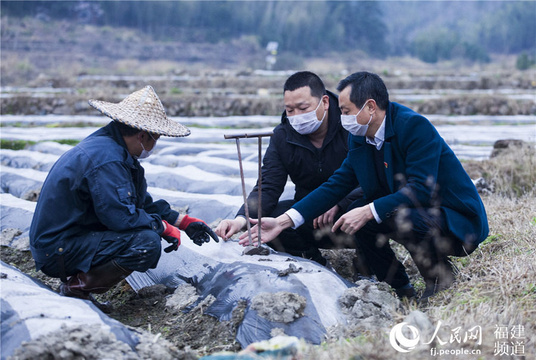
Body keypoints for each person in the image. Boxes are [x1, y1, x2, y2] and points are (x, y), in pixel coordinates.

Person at [239, 71, 489, 302]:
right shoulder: (360, 136)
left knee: (382, 214)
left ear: (370, 106)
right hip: (415, 210)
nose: (343, 118)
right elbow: (338, 183)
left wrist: (369, 210)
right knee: (362, 215)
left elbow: (421, 189)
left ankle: (440, 277)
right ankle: (401, 289)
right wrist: (282, 221)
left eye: (346, 111)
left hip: (455, 220)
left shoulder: (413, 126)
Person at [29, 86, 218, 311]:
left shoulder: (114, 150)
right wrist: (163, 228)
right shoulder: (107, 159)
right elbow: (120, 217)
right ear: (142, 135)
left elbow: (140, 203)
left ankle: (80, 286)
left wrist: (184, 222)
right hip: (57, 249)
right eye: (155, 138)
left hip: (69, 239)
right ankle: (77, 289)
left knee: (146, 232)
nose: (154, 145)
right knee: (145, 243)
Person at [216, 71, 362, 267]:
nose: (296, 117)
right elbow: (268, 185)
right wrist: (242, 219)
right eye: (290, 110)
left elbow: (372, 177)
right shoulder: (283, 137)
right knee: (269, 219)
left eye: (303, 108)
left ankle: (368, 263)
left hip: (351, 211)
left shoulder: (351, 126)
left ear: (325, 102)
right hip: (307, 215)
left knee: (368, 210)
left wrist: (340, 202)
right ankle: (314, 263)